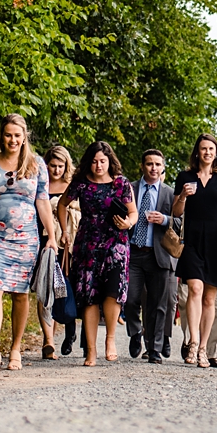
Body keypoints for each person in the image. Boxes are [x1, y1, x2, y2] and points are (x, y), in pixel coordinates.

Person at [0, 114, 58, 372]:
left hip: (25, 238)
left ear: (24, 138)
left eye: (17, 135)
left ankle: (15, 349)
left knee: (20, 294)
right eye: (8, 135)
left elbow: (42, 202)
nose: (12, 139)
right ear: (2, 136)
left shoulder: (36, 164)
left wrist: (52, 236)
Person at [59, 141, 137, 366]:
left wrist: (127, 224)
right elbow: (62, 205)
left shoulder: (121, 183)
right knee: (88, 297)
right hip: (88, 244)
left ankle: (110, 339)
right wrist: (64, 231)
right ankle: (91, 351)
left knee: (113, 293)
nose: (98, 165)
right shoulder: (81, 183)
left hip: (116, 244)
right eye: (94, 161)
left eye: (102, 161)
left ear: (110, 161)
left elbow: (133, 213)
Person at [172, 134, 217, 368]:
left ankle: (203, 349)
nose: (207, 152)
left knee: (210, 298)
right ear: (197, 152)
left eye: (211, 148)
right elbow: (176, 212)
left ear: (216, 152)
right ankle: (192, 341)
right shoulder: (184, 177)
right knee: (194, 288)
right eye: (203, 148)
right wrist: (182, 195)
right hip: (192, 238)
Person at [124, 149, 181, 364]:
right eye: (149, 164)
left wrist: (165, 219)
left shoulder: (170, 193)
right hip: (133, 252)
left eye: (158, 164)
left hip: (159, 254)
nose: (154, 168)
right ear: (142, 166)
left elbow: (181, 221)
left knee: (159, 304)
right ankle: (135, 332)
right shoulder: (130, 189)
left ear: (163, 167)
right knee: (130, 300)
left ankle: (155, 349)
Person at [44, 145, 81, 357]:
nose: (56, 170)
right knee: (51, 286)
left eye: (61, 166)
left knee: (69, 284)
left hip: (70, 241)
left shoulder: (72, 185)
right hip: (48, 239)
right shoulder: (42, 184)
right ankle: (48, 338)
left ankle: (70, 330)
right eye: (53, 166)